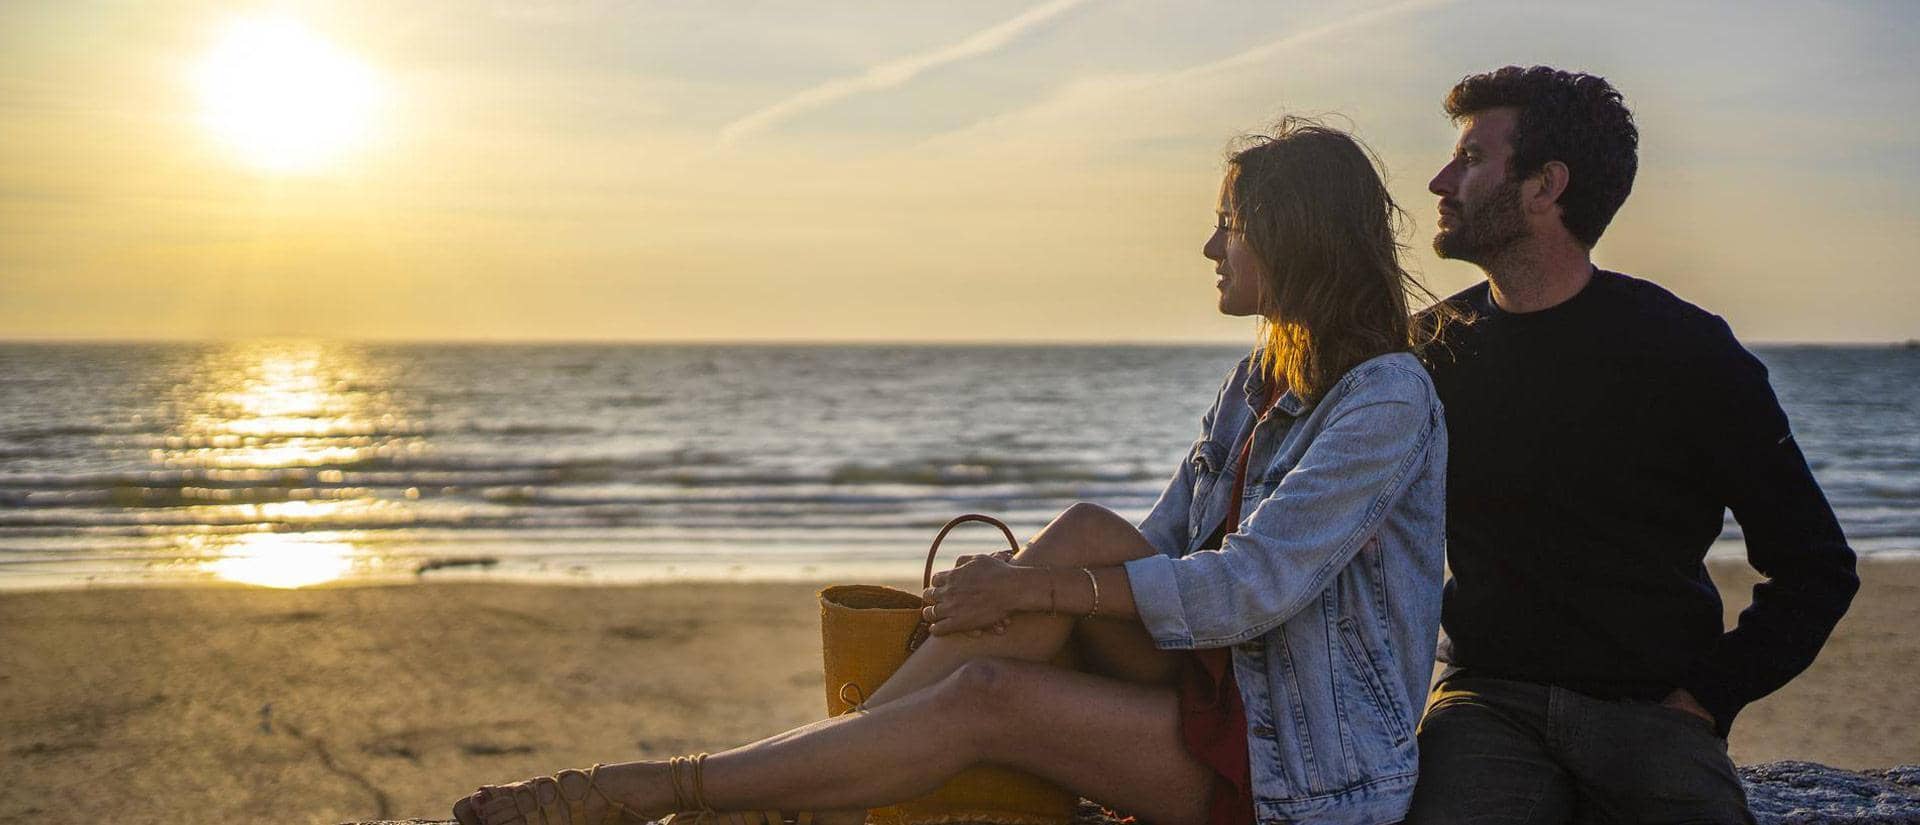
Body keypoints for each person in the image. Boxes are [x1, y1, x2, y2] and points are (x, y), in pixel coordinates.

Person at [453, 119, 1449, 825]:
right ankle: (798, 786)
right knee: (1087, 530)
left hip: (1308, 771)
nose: (1207, 246)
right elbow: (1159, 548)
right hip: (1228, 691)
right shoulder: (1261, 377)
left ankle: (681, 788)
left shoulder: (1385, 398)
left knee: (988, 693)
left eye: (1227, 224)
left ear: (1290, 234)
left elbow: (1250, 587)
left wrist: (1037, 590)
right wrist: (1036, 589)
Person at [1404, 66, 1860, 825]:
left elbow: (1817, 564)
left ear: (1545, 185)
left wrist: (1706, 697)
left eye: (1473, 159)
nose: (1440, 180)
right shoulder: (1428, 353)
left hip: (1652, 712)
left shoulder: (1688, 352)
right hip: (1485, 704)